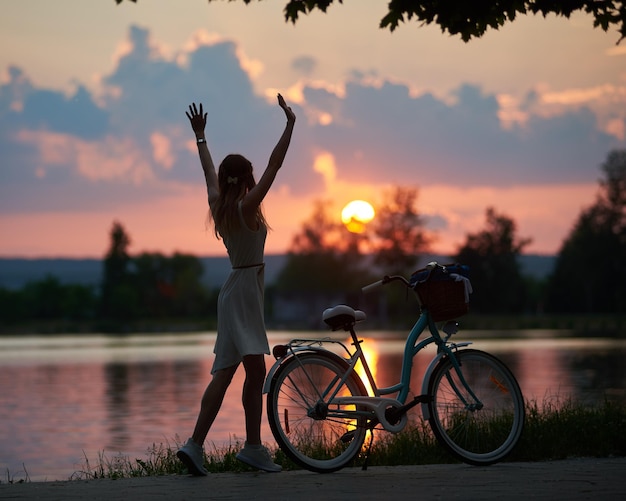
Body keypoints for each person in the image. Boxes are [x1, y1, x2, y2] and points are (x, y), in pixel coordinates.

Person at [177, 95, 296, 475]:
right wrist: (289, 123)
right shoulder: (246, 208)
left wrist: (201, 137)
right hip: (244, 289)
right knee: (255, 371)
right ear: (247, 178)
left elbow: (207, 172)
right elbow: (276, 166)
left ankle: (195, 445)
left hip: (233, 288)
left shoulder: (219, 205)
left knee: (226, 371)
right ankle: (253, 447)